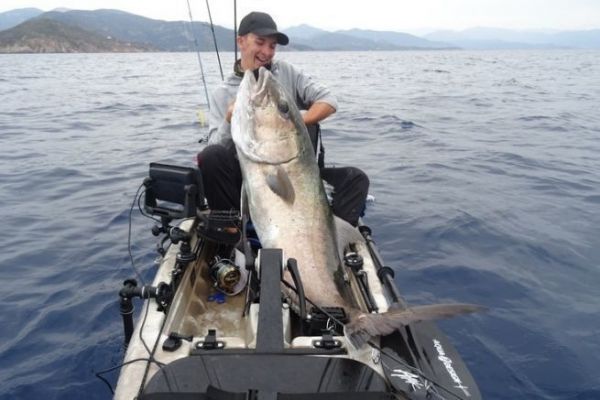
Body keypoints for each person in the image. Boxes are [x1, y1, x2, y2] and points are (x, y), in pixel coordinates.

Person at [197, 11, 369, 227]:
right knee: (211, 155)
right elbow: (213, 150)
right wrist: (229, 119)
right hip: (248, 176)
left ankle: (331, 236)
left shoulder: (286, 72)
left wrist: (293, 121)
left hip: (296, 173)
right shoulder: (222, 93)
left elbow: (329, 101)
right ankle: (230, 231)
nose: (267, 52)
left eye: (272, 46)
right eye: (260, 42)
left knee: (356, 179)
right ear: (240, 41)